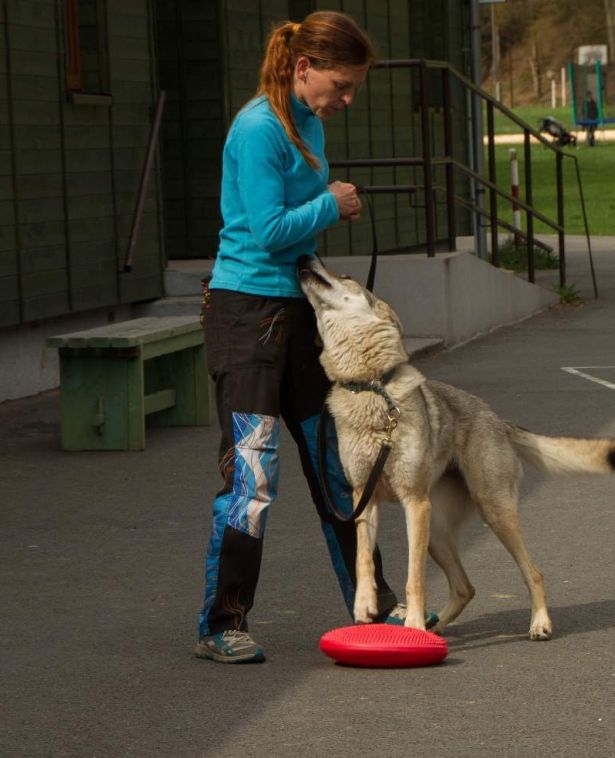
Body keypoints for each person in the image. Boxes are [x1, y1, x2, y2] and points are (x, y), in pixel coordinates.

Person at [194, 11, 412, 664]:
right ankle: (221, 624)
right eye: (340, 86)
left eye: (351, 90)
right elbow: (265, 229)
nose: (345, 101)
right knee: (252, 477)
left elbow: (296, 229)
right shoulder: (258, 128)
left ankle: (374, 604)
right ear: (303, 69)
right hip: (245, 317)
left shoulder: (308, 123)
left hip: (300, 315)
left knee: (340, 470)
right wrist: (333, 203)